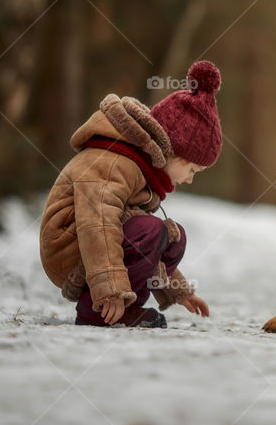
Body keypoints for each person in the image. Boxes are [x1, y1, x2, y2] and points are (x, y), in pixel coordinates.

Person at [39, 61, 222, 327]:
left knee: (172, 237)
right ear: (173, 151)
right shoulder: (116, 161)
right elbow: (98, 224)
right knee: (150, 231)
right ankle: (98, 310)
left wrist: (179, 291)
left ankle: (126, 307)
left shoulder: (139, 165)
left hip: (89, 244)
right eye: (192, 169)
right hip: (69, 246)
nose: (190, 179)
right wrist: (110, 290)